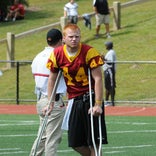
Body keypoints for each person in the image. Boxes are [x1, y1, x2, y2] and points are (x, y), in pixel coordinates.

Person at [46, 24, 108, 156]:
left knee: (94, 143)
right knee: (75, 143)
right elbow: (52, 79)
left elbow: (98, 78)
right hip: (74, 100)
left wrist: (98, 104)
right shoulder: (57, 54)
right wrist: (50, 103)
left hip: (90, 98)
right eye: (71, 37)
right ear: (64, 38)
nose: (74, 39)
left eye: (77, 36)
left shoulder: (89, 52)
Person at [30, 28, 67, 156]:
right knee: (52, 138)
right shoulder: (58, 55)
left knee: (43, 136)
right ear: (61, 40)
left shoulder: (38, 56)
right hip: (53, 100)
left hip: (40, 99)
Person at [102, 41, 116, 106]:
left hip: (109, 70)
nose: (105, 46)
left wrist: (103, 58)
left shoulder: (111, 52)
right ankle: (107, 101)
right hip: (107, 70)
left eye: (106, 45)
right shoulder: (110, 52)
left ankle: (112, 102)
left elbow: (110, 63)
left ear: (108, 46)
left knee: (111, 86)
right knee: (107, 86)